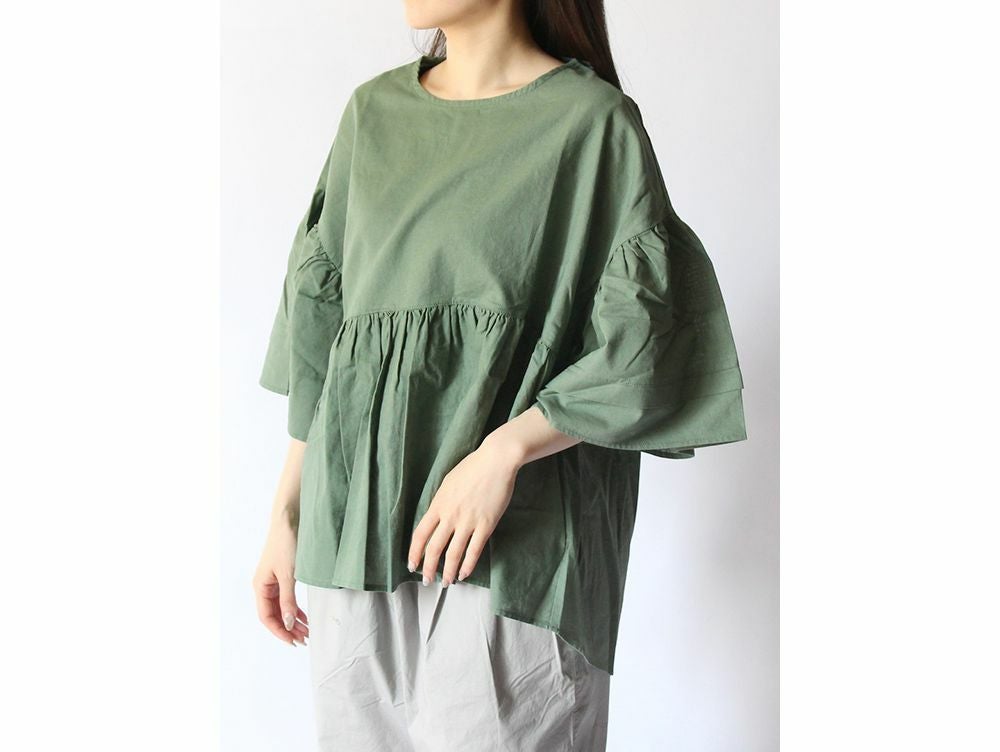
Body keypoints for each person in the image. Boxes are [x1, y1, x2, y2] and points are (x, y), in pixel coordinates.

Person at [251, 1, 747, 749]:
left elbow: (643, 343)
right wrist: (286, 512)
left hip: (522, 544)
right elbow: (325, 327)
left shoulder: (592, 125)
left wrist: (504, 452)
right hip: (356, 529)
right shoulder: (372, 114)